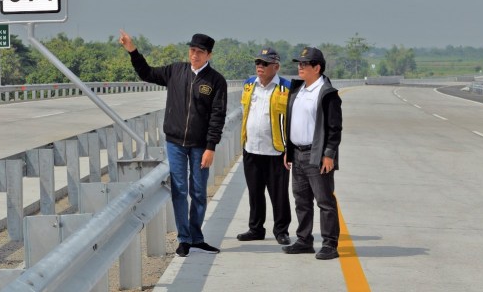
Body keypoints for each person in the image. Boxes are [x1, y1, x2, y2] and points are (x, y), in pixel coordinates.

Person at [119, 30, 227, 257]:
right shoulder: (175, 71)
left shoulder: (216, 81)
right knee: (179, 190)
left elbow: (218, 116)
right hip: (175, 143)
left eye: (200, 52)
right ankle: (184, 238)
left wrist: (211, 147)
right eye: (192, 50)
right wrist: (132, 50)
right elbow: (146, 73)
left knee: (198, 191)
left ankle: (197, 237)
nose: (195, 55)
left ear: (209, 55)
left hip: (200, 146)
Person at [282, 47, 342, 260]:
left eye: (305, 64)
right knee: (301, 200)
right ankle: (304, 240)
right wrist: (288, 151)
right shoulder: (298, 90)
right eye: (299, 63)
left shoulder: (327, 94)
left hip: (316, 156)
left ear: (317, 68)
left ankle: (329, 244)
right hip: (297, 153)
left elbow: (335, 129)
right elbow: (292, 123)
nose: (300, 67)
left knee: (324, 201)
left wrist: (329, 154)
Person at [238, 47, 292, 245]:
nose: (260, 67)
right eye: (258, 63)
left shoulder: (287, 88)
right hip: (251, 149)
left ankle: (281, 231)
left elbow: (292, 120)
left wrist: (289, 150)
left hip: (276, 151)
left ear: (276, 67)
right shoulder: (249, 85)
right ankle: (256, 229)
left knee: (279, 194)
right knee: (254, 192)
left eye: (265, 63)